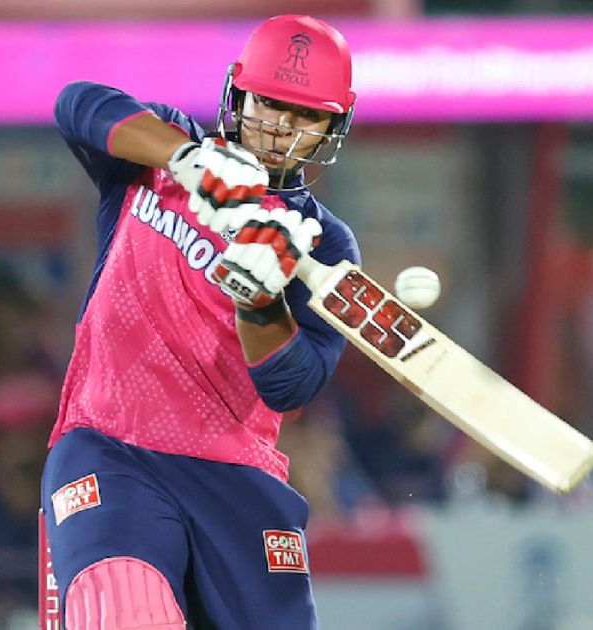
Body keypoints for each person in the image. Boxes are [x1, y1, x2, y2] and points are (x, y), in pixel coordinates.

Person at [41, 14, 361, 630]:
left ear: (333, 126)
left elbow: (293, 385)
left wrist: (260, 302)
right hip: (111, 446)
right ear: (238, 94)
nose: (281, 128)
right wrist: (187, 159)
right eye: (269, 103)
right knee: (125, 612)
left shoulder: (324, 244)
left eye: (306, 116)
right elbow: (76, 104)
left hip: (236, 476)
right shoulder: (157, 152)